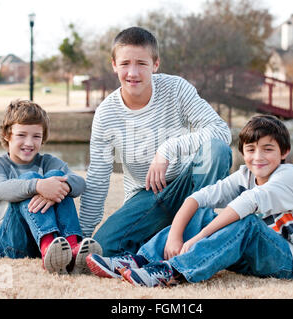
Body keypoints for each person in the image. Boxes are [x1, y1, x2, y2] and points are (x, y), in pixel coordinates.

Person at [86, 115, 293, 287]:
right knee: (203, 214)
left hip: (292, 261)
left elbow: (246, 204)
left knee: (247, 223)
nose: (258, 157)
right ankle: (139, 260)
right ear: (243, 152)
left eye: (268, 149)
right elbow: (198, 197)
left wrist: (198, 237)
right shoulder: (245, 175)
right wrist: (176, 235)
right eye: (251, 149)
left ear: (284, 152)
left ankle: (172, 271)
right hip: (250, 256)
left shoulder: (287, 177)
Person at [79, 26, 232, 256]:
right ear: (114, 65)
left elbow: (221, 131)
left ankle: (189, 245)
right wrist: (83, 235)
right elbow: (98, 177)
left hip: (189, 185)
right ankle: (171, 237)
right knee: (103, 247)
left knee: (217, 151)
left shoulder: (176, 89)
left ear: (155, 64)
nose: (133, 72)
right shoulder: (106, 114)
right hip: (148, 196)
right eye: (125, 64)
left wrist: (168, 149)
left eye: (141, 63)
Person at [0, 100, 101, 275]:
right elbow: (1, 189)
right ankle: (47, 246)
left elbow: (79, 182)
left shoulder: (48, 162)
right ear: (8, 135)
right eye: (21, 135)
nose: (29, 143)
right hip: (9, 241)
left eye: (36, 136)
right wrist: (38, 186)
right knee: (31, 178)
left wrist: (59, 187)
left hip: (50, 244)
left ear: (43, 138)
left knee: (60, 180)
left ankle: (71, 246)